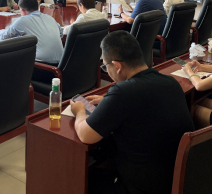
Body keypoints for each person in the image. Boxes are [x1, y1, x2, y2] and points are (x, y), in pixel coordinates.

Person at [71, 31, 194, 194]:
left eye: (105, 66)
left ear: (117, 66)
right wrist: (108, 101)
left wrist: (80, 111)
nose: (107, 71)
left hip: (142, 186)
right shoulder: (170, 82)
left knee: (79, 179)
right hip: (177, 177)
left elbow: (86, 135)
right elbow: (144, 104)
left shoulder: (123, 92)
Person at [0, 0, 63, 65]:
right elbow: (61, 34)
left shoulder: (23, 20)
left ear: (22, 10)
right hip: (61, 63)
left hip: (41, 65)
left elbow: (3, 38)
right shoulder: (50, 18)